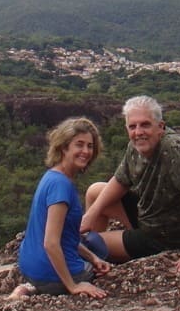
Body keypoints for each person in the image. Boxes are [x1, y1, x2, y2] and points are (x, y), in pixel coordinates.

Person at [80, 95, 180, 274]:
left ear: (160, 127)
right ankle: (98, 257)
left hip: (164, 235)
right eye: (133, 126)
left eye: (145, 124)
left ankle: (95, 255)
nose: (138, 132)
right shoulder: (136, 144)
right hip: (148, 214)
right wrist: (91, 214)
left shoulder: (174, 149)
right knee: (95, 191)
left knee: (88, 244)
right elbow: (121, 180)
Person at [9, 117, 111, 299]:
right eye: (79, 145)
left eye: (90, 146)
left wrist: (92, 258)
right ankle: (45, 287)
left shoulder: (51, 176)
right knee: (99, 245)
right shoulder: (61, 186)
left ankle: (31, 287)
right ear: (64, 147)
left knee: (93, 252)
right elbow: (51, 242)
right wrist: (73, 286)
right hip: (51, 274)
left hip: (30, 269)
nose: (86, 151)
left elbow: (64, 237)